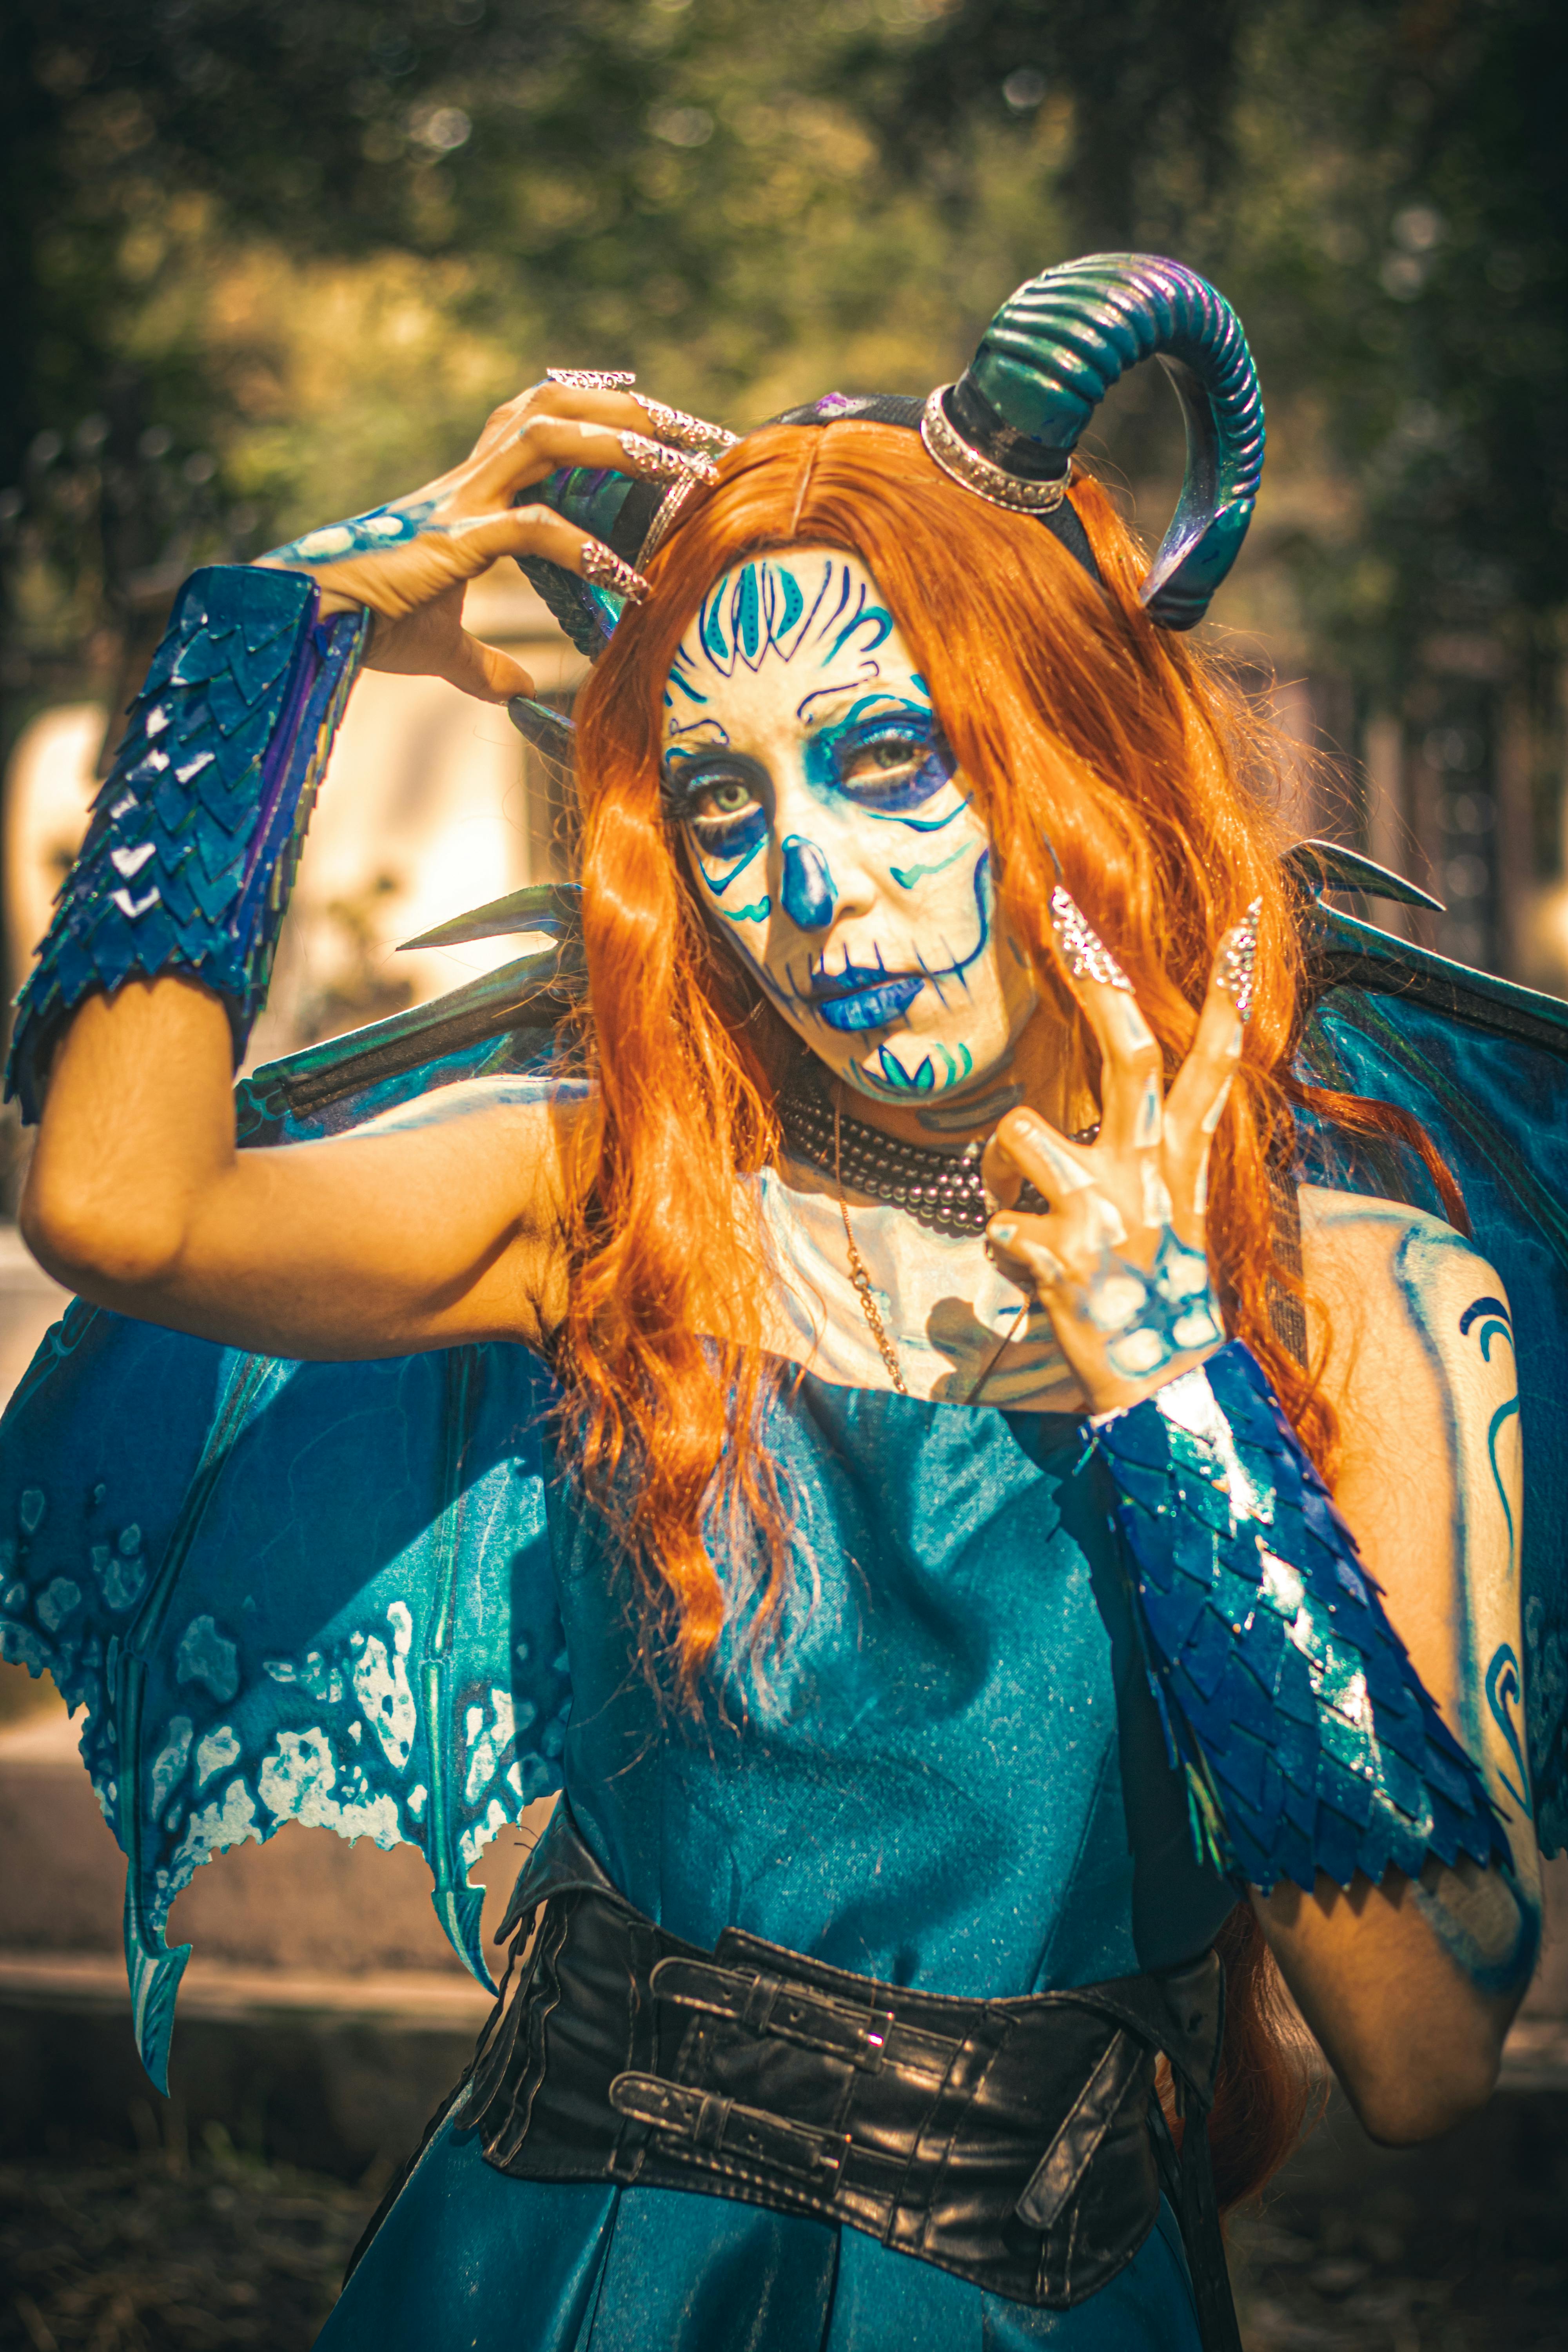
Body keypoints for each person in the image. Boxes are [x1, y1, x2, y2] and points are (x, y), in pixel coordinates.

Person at [1, 260, 1550, 2352]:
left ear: (1078, 751)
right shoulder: (620, 1196)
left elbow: (1425, 2054)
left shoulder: (1359, 1288)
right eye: (723, 801)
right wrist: (273, 640)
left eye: (887, 755)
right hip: (543, 2285)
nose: (806, 886)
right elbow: (120, 1204)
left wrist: (1174, 1383)